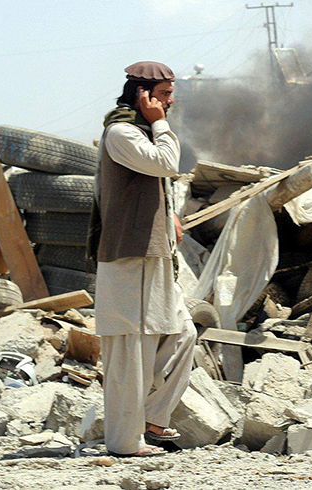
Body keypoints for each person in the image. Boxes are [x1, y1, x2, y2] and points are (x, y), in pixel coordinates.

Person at [89, 61, 195, 457]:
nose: (170, 102)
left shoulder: (142, 132)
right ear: (142, 95)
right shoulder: (121, 132)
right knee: (129, 348)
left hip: (155, 254)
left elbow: (156, 180)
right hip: (128, 256)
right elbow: (166, 163)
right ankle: (124, 441)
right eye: (164, 94)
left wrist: (168, 216)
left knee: (183, 333)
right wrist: (160, 123)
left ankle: (152, 416)